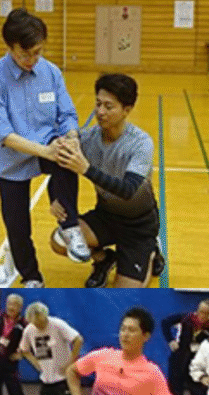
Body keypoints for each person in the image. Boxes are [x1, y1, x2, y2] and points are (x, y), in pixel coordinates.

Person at [0, 8, 88, 288]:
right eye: (23, 54)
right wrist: (45, 152)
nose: (31, 60)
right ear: (10, 48)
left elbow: (66, 115)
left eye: (37, 52)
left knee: (68, 156)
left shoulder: (51, 72)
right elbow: (2, 132)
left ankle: (69, 227)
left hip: (50, 143)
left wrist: (72, 138)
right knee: (17, 226)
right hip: (14, 157)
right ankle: (31, 277)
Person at [49, 73, 165, 288]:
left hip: (138, 226)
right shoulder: (87, 138)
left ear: (127, 110)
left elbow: (128, 190)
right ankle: (104, 260)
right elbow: (59, 168)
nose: (100, 112)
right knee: (59, 241)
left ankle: (150, 251)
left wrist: (86, 169)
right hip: (106, 217)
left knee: (126, 291)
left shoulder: (140, 143)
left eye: (109, 107)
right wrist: (55, 197)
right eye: (98, 103)